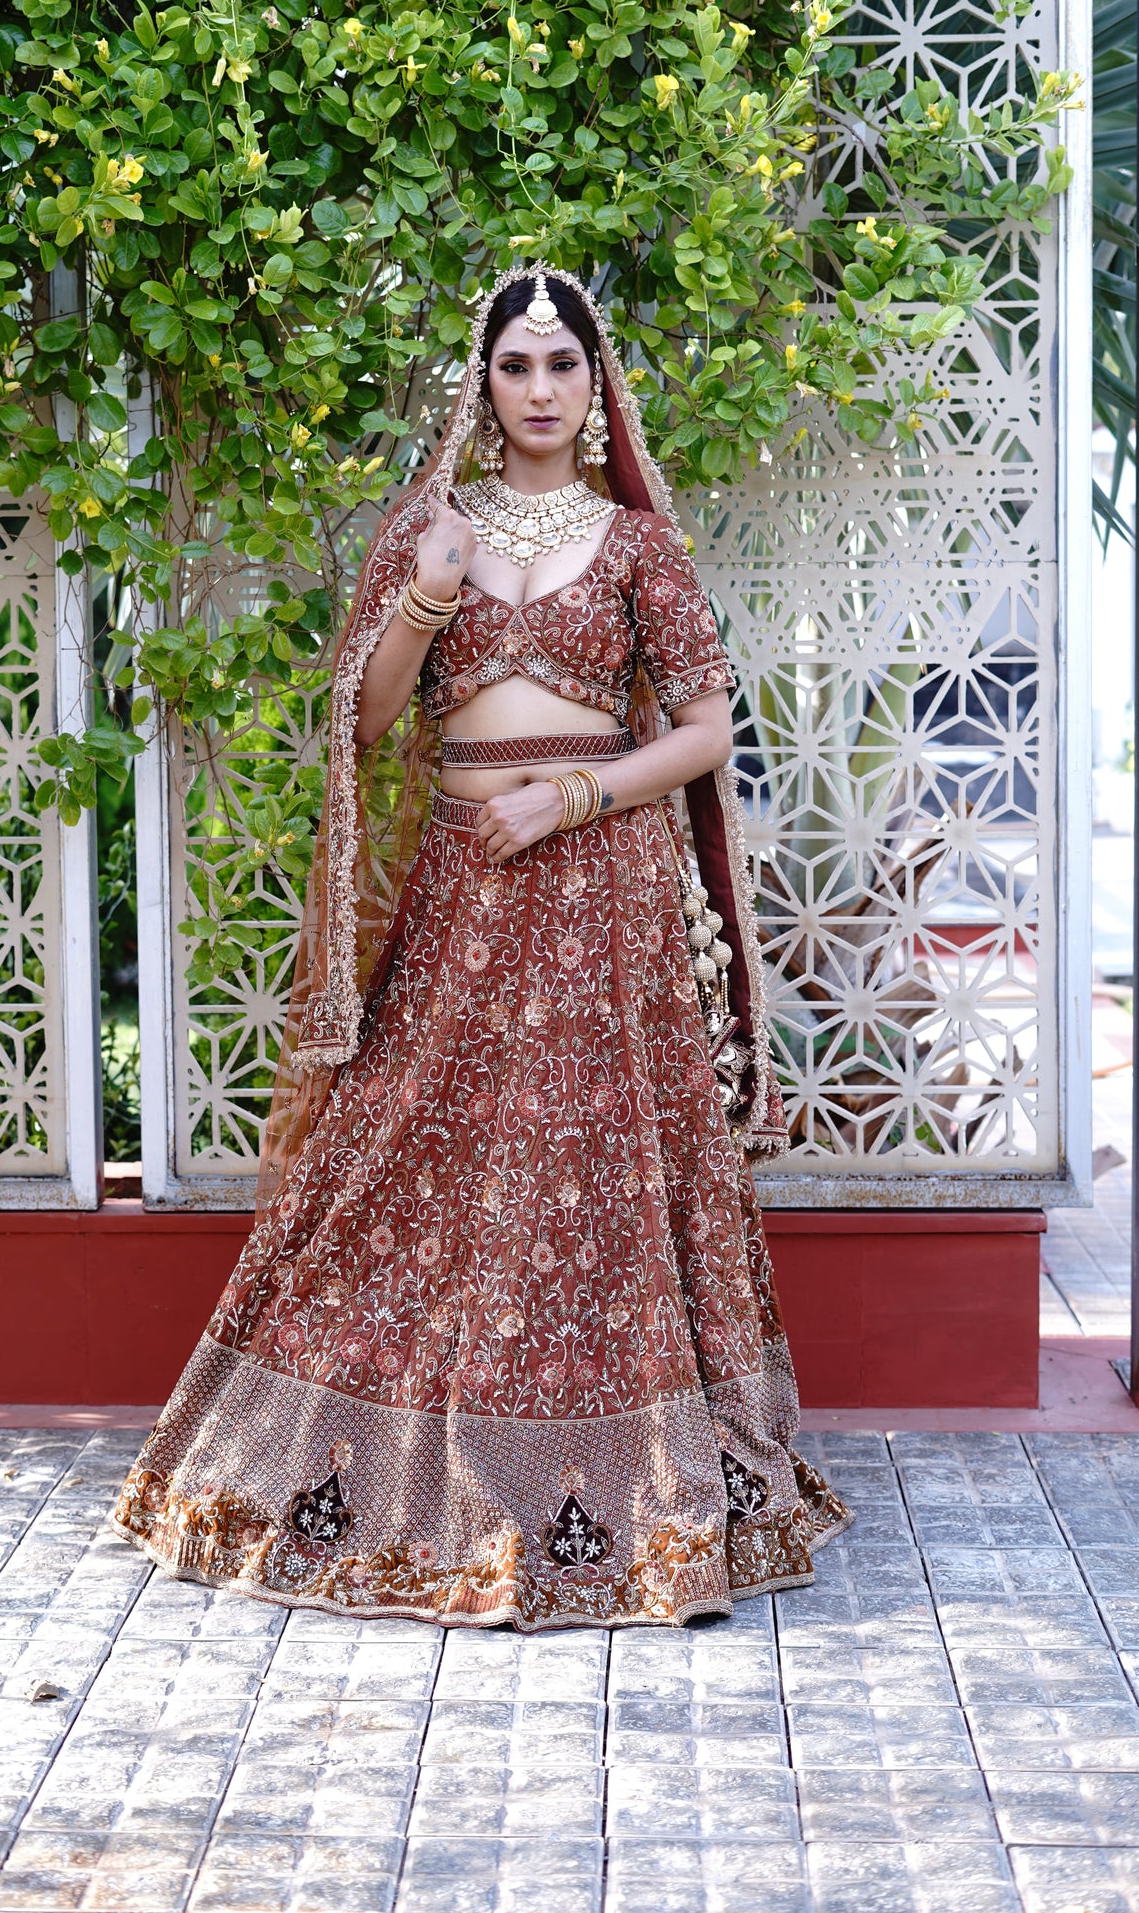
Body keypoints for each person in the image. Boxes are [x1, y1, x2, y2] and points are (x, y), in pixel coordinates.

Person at [113, 266, 850, 1629]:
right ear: (482, 381)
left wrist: (573, 793)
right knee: (410, 1145)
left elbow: (700, 734)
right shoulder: (430, 533)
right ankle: (356, 1467)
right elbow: (374, 724)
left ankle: (626, 1482)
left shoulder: (637, 546)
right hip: (464, 883)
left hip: (600, 887)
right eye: (514, 366)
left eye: (561, 366)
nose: (538, 392)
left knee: (591, 1161)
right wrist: (426, 599)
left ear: (595, 383)